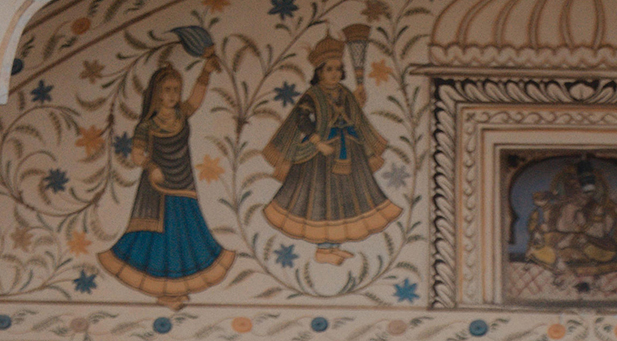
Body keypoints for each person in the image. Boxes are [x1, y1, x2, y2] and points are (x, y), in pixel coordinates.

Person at [98, 56, 234, 307]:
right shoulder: (147, 125)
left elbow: (195, 99)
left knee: (186, 237)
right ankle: (164, 291)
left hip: (183, 182)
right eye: (167, 90)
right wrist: (151, 166)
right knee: (160, 241)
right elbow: (137, 155)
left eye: (176, 90)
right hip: (157, 188)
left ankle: (174, 289)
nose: (173, 95)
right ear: (157, 94)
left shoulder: (181, 115)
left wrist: (205, 71)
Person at [262, 32, 399, 266]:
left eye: (337, 69)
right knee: (319, 199)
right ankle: (322, 249)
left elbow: (352, 114)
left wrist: (358, 101)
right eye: (329, 69)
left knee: (343, 200)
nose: (334, 73)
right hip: (320, 155)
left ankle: (333, 247)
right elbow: (301, 119)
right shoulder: (313, 94)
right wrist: (317, 142)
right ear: (319, 72)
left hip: (348, 151)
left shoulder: (344, 92)